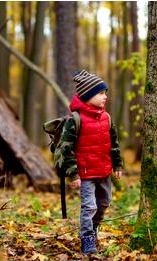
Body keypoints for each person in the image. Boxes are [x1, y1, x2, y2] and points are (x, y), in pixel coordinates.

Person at [60, 69, 123, 255]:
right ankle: (87, 237)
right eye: (100, 93)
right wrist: (73, 173)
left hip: (104, 171)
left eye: (105, 93)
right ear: (88, 96)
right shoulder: (75, 120)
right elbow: (66, 149)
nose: (105, 97)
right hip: (86, 173)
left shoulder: (107, 118)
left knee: (105, 202)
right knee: (89, 206)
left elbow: (114, 143)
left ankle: (94, 228)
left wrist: (117, 165)